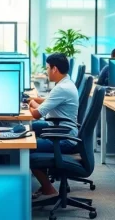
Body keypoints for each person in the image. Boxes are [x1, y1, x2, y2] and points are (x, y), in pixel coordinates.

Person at [28, 53, 79, 200]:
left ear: (54, 69)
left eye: (47, 68)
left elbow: (36, 114)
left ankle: (48, 188)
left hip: (64, 138)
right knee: (28, 130)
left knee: (26, 148)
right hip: (60, 128)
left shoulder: (62, 88)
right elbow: (48, 100)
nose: (46, 71)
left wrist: (30, 105)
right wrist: (33, 100)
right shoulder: (65, 83)